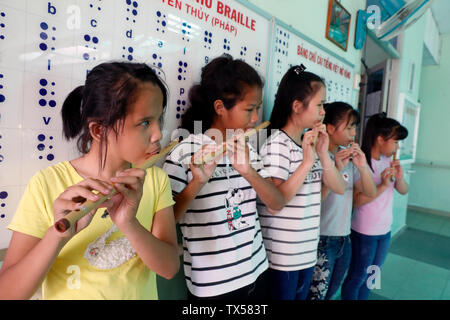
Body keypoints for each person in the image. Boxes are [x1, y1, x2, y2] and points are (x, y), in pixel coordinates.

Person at [0, 62, 179, 299]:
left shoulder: (155, 179)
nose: (158, 134)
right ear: (99, 130)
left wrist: (129, 223)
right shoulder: (47, 183)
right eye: (145, 123)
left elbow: (169, 268)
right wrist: (57, 236)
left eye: (158, 119)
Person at [163, 54, 285, 300]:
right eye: (249, 109)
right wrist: (197, 182)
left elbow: (277, 203)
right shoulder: (185, 150)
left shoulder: (247, 148)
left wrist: (248, 171)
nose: (255, 119)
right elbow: (167, 220)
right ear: (220, 107)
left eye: (257, 109)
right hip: (212, 285)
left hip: (257, 269)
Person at [258, 65, 346, 300]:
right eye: (319, 105)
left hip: (306, 252)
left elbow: (338, 188)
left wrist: (323, 153)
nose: (323, 112)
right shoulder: (277, 145)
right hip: (282, 257)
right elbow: (276, 201)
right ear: (297, 106)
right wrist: (307, 162)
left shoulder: (310, 144)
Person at [307, 102, 376, 300]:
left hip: (344, 238)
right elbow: (311, 202)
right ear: (329, 128)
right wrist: (335, 168)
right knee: (315, 296)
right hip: (322, 238)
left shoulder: (349, 158)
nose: (353, 133)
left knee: (330, 294)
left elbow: (370, 192)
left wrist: (362, 167)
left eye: (354, 127)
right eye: (349, 127)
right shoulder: (317, 157)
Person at [341, 112, 409, 300]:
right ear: (380, 139)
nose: (397, 147)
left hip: (384, 231)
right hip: (364, 232)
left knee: (372, 278)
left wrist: (400, 177)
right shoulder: (361, 163)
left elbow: (403, 190)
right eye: (395, 142)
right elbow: (356, 201)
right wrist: (383, 186)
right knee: (357, 277)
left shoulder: (390, 162)